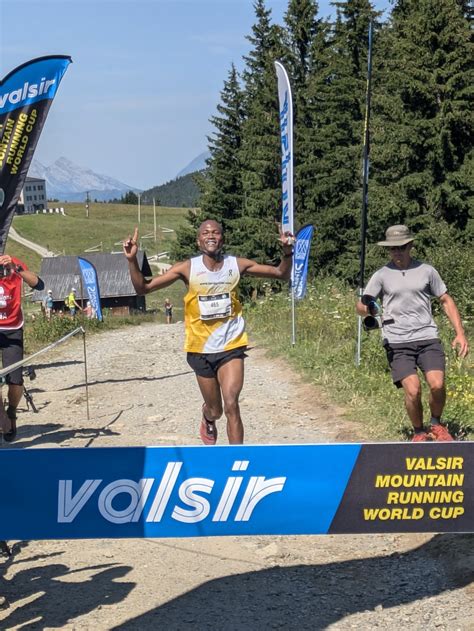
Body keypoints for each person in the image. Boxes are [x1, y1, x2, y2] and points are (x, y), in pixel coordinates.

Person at [123, 219, 294, 445]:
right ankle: (207, 417)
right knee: (217, 409)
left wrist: (287, 251)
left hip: (230, 345)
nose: (211, 235)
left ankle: (237, 461)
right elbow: (143, 288)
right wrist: (132, 260)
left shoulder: (237, 264)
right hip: (200, 349)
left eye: (215, 232)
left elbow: (281, 273)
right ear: (199, 240)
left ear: (222, 238)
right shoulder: (188, 268)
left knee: (232, 403)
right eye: (205, 233)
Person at [356, 225, 469, 442]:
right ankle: (418, 431)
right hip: (397, 341)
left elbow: (445, 300)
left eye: (401, 247)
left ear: (411, 246)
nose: (397, 252)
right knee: (413, 390)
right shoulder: (381, 275)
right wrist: (368, 308)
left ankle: (436, 424)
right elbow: (361, 306)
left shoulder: (427, 271)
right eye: (392, 249)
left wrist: (460, 333)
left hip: (427, 337)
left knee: (437, 384)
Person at [0, 254, 43, 442]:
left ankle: (11, 411)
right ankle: (2, 420)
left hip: (12, 328)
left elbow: (39, 284)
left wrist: (15, 269)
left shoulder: (12, 262)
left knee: (15, 381)